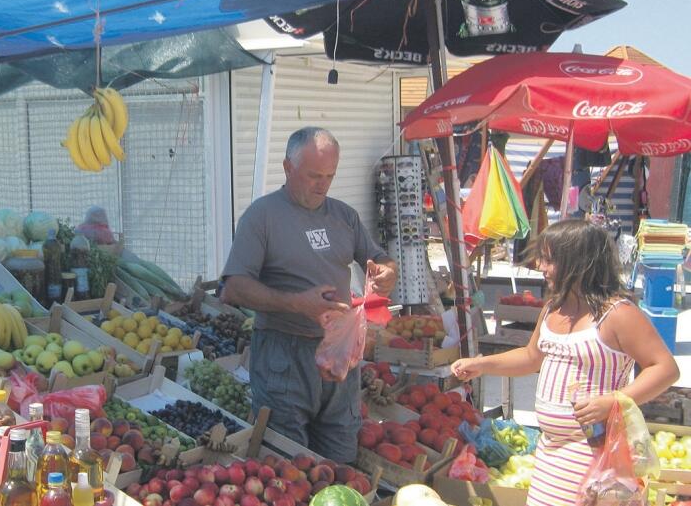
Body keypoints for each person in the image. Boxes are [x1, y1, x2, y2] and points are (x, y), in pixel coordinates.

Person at [451, 219, 679, 506]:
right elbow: (531, 357)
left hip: (595, 454)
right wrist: (482, 364)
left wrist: (614, 401)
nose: (541, 267)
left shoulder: (618, 314)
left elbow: (665, 368)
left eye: (549, 260)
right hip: (550, 452)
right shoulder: (553, 308)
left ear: (578, 263)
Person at [220, 126, 397, 463]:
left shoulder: (344, 216)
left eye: (330, 176)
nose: (323, 185)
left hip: (340, 355)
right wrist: (297, 304)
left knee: (340, 459)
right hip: (284, 354)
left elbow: (380, 259)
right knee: (287, 464)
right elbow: (233, 288)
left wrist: (388, 272)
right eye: (314, 175)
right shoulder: (262, 216)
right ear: (288, 168)